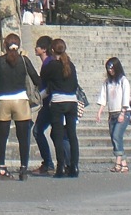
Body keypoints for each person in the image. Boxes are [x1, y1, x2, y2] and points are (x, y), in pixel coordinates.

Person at [0, 33, 40, 181]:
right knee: (23, 137)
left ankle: (1, 167)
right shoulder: (24, 60)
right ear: (19, 45)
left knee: (2, 136)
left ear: (4, 46)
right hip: (20, 100)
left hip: (3, 100)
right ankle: (23, 168)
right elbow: (36, 78)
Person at [43, 38, 80, 177]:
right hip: (72, 101)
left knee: (58, 135)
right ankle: (74, 166)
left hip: (58, 101)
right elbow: (75, 84)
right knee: (72, 135)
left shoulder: (52, 65)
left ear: (52, 50)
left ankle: (61, 167)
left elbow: (44, 78)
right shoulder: (70, 64)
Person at [95, 56, 131, 173]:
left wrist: (123, 112)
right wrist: (100, 112)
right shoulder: (107, 82)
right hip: (112, 113)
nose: (110, 70)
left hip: (123, 112)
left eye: (111, 68)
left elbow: (126, 97)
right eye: (108, 68)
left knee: (116, 135)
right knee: (114, 138)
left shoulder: (123, 80)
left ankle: (118, 163)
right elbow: (103, 97)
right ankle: (124, 164)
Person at [31, 34, 54, 175]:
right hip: (49, 102)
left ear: (44, 49)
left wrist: (39, 97)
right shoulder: (49, 62)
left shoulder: (48, 64)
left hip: (50, 102)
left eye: (38, 46)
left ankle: (48, 163)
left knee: (37, 131)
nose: (35, 48)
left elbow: (48, 86)